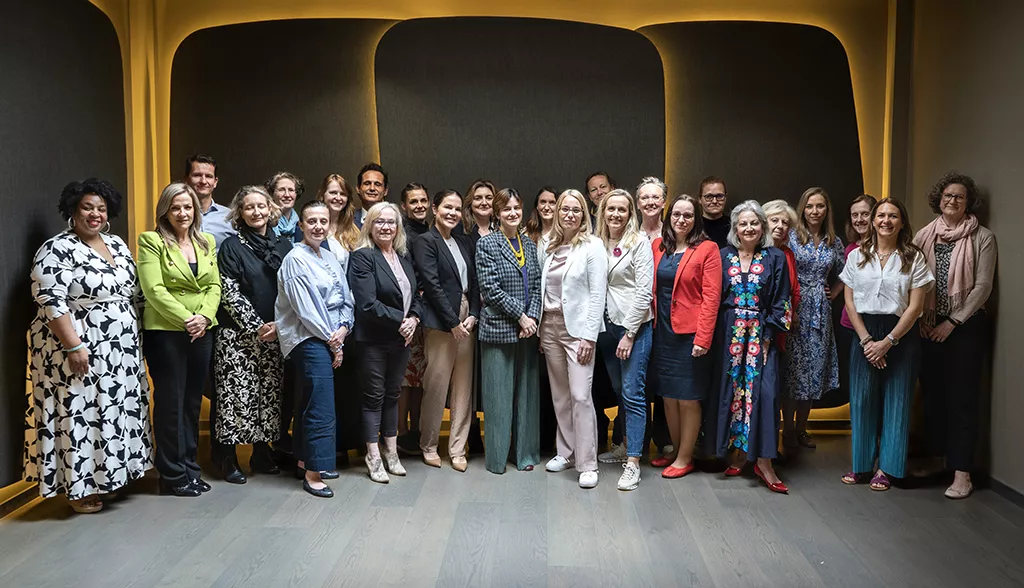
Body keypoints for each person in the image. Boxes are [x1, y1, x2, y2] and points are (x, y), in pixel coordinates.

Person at [26, 179, 153, 513]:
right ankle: (79, 488)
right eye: (87, 207)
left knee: (110, 413)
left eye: (101, 208)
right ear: (72, 210)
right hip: (79, 346)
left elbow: (134, 291)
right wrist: (73, 346)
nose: (95, 214)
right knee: (80, 414)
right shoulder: (56, 248)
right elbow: (50, 300)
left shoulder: (117, 244)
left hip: (120, 350)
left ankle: (107, 478)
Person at [913, 173, 997, 499]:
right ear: (939, 199)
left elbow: (983, 287)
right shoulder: (924, 236)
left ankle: (963, 473)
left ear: (969, 202)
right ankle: (938, 461)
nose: (952, 201)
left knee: (963, 399)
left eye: (959, 197)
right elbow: (914, 281)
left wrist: (953, 322)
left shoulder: (983, 238)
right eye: (948, 195)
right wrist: (921, 319)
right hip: (927, 325)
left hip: (965, 329)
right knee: (933, 396)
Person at [840, 198, 933, 491]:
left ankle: (889, 469)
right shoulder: (857, 255)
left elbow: (916, 306)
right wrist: (868, 340)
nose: (886, 221)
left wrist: (888, 342)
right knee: (863, 400)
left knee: (897, 400)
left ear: (902, 222)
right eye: (881, 215)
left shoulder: (914, 257)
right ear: (873, 220)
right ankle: (862, 467)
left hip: (901, 334)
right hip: (864, 331)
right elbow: (849, 302)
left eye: (893, 216)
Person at [138, 182, 221, 497]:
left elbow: (213, 285)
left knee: (190, 402)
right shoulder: (152, 241)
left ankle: (190, 469)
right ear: (165, 211)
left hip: (201, 331)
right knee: (171, 403)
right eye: (176, 207)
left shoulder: (206, 241)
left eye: (188, 207)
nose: (183, 213)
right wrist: (187, 319)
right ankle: (171, 475)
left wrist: (203, 318)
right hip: (167, 333)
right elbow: (154, 289)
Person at [211, 185, 292, 484]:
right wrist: (257, 326)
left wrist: (279, 326)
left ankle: (262, 453)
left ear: (271, 209)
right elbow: (228, 291)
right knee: (235, 398)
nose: (257, 212)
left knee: (268, 397)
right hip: (237, 336)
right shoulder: (232, 246)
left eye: (261, 206)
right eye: (249, 207)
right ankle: (228, 459)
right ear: (239, 213)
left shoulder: (284, 245)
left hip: (276, 334)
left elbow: (291, 290)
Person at [275, 200, 355, 498]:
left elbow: (347, 299)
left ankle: (303, 459)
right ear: (301, 226)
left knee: (310, 399)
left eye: (323, 221)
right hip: (306, 338)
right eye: (312, 221)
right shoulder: (296, 259)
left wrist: (344, 328)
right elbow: (307, 310)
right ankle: (314, 473)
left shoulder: (330, 256)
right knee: (320, 404)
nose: (319, 226)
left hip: (333, 335)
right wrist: (333, 341)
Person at [713, 200, 792, 493]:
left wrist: (769, 334)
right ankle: (742, 455)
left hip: (762, 335)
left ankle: (765, 462)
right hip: (730, 335)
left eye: (754, 223)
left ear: (763, 227)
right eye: (743, 223)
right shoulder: (723, 256)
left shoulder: (775, 258)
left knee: (765, 395)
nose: (749, 228)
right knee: (733, 392)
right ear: (735, 228)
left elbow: (783, 300)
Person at [649, 194, 722, 480]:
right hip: (661, 331)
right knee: (668, 396)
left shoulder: (707, 249)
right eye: (676, 214)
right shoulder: (658, 246)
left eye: (687, 215)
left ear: (696, 220)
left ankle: (685, 457)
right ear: (669, 217)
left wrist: (703, 338)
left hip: (691, 334)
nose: (681, 220)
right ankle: (675, 451)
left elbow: (712, 297)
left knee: (688, 398)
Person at [348, 202, 422, 483]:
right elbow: (367, 303)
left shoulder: (402, 257)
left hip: (401, 339)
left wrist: (414, 318)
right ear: (369, 225)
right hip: (374, 340)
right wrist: (400, 320)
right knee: (373, 398)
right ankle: (372, 455)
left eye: (391, 222)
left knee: (392, 395)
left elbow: (416, 294)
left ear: (398, 227)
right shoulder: (363, 257)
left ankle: (391, 452)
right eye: (379, 222)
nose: (386, 227)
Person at [539, 189, 608, 489]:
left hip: (578, 331)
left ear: (584, 215)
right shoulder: (549, 245)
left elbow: (597, 294)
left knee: (581, 395)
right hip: (550, 327)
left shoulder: (593, 246)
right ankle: (565, 452)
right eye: (564, 209)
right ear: (557, 213)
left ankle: (588, 462)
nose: (569, 214)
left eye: (576, 210)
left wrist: (589, 337)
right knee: (561, 395)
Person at [413, 189, 480, 471]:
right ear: (434, 208)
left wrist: (473, 314)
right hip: (442, 322)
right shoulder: (425, 242)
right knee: (437, 385)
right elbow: (431, 284)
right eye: (446, 208)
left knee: (463, 388)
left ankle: (457, 447)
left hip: (467, 318)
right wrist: (452, 322)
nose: (452, 213)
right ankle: (428, 445)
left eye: (456, 209)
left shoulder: (463, 242)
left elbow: (475, 281)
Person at [476, 188, 542, 474]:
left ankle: (525, 454)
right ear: (497, 213)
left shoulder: (528, 244)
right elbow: (490, 289)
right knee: (498, 397)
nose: (512, 213)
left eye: (517, 208)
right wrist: (521, 316)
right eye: (506, 209)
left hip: (528, 330)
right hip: (499, 329)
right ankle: (498, 459)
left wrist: (534, 318)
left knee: (527, 396)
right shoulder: (487, 244)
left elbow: (538, 285)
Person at [593, 189, 655, 490]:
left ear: (631, 214)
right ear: (603, 211)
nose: (616, 214)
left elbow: (645, 292)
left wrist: (630, 333)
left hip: (634, 328)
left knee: (633, 391)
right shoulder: (597, 243)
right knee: (619, 389)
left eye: (622, 209)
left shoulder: (639, 243)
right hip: (607, 328)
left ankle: (633, 462)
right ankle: (624, 444)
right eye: (611, 209)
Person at [786, 187, 845, 449]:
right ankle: (786, 429)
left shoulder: (834, 240)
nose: (814, 211)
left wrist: (833, 292)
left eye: (820, 206)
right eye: (810, 206)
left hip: (821, 313)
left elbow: (847, 272)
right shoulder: (791, 237)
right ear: (803, 208)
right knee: (793, 371)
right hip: (795, 306)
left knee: (813, 372)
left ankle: (802, 429)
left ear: (826, 210)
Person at [634, 176, 673, 459]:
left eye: (655, 197)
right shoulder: (628, 234)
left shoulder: (672, 237)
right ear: (637, 203)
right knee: (635, 382)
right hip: (634, 319)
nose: (650, 202)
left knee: (662, 379)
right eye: (644, 197)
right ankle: (634, 440)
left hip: (666, 318)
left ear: (663, 202)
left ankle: (663, 438)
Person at [762, 199, 803, 454]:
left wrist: (790, 315)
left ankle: (770, 449)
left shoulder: (787, 254)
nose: (780, 226)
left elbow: (793, 290)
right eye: (774, 220)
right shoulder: (756, 251)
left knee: (774, 390)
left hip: (781, 331)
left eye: (785, 223)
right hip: (756, 330)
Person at [397, 182, 430, 454]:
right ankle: (402, 432)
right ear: (404, 207)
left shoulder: (429, 231)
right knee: (405, 378)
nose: (419, 205)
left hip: (426, 314)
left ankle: (417, 429)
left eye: (423, 200)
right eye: (413, 201)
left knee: (420, 376)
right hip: (408, 313)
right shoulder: (402, 235)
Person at [184, 154, 235, 247]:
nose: (203, 181)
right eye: (197, 175)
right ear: (186, 180)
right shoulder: (177, 216)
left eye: (208, 176)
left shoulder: (231, 217)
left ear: (215, 182)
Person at [267, 171, 304, 240]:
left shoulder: (302, 225)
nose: (287, 195)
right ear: (272, 194)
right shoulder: (265, 223)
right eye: (281, 190)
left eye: (291, 190)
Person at [699, 176, 730, 249]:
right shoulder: (692, 226)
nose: (714, 201)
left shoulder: (734, 226)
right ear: (700, 199)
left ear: (726, 198)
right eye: (709, 197)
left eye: (719, 196)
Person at [354, 163, 388, 228]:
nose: (372, 188)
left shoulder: (397, 220)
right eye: (367, 183)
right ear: (358, 189)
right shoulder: (347, 221)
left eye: (377, 184)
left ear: (385, 191)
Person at [637, 176, 666, 241]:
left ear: (664, 203)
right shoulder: (630, 234)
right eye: (645, 198)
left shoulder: (672, 234)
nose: (650, 202)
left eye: (656, 197)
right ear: (638, 204)